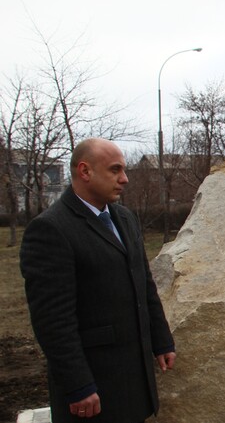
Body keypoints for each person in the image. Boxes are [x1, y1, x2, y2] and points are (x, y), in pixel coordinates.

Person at [20, 138, 176, 422]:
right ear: (85, 171)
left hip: (133, 378)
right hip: (93, 385)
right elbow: (52, 321)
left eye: (124, 170)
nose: (125, 179)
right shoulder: (51, 229)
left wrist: (161, 341)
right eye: (115, 170)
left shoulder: (125, 218)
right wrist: (78, 385)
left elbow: (144, 285)